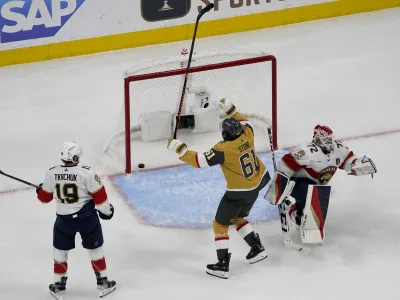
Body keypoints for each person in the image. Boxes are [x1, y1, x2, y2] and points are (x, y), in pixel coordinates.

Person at [167, 98, 270, 279]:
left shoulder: (224, 149)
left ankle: (222, 265)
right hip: (256, 185)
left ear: (225, 134)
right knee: (237, 217)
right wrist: (231, 109)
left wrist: (180, 149)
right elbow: (245, 120)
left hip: (238, 193)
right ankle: (256, 248)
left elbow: (199, 161)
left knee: (220, 224)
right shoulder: (248, 134)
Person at [265, 125, 377, 245]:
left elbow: (349, 161)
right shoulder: (307, 151)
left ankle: (298, 215)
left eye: (330, 139)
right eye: (326, 140)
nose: (330, 142)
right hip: (296, 181)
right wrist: (279, 188)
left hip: (316, 184)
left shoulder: (339, 149)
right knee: (311, 194)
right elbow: (284, 164)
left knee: (316, 195)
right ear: (318, 139)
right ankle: (299, 214)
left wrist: (358, 165)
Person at [36, 141, 116, 299]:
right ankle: (103, 283)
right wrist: (107, 212)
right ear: (76, 156)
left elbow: (44, 198)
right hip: (87, 219)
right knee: (95, 249)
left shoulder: (52, 173)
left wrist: (40, 190)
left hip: (64, 221)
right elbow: (100, 198)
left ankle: (58, 287)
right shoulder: (87, 173)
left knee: (60, 251)